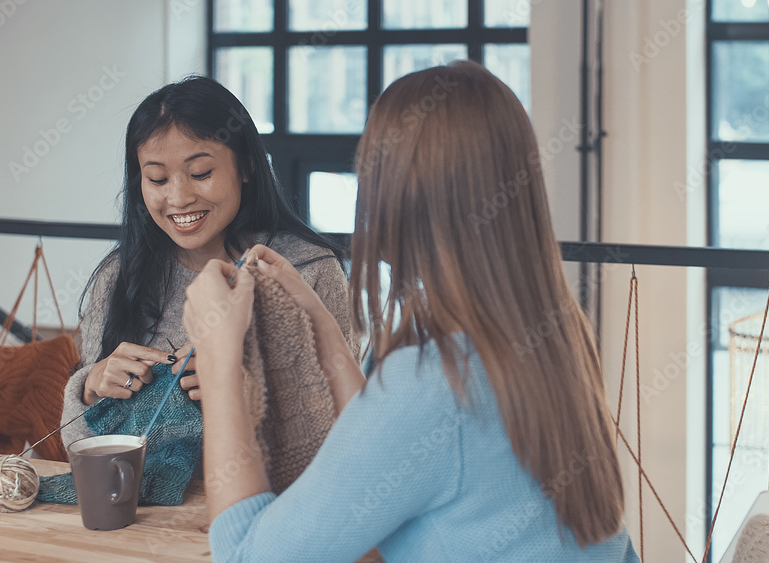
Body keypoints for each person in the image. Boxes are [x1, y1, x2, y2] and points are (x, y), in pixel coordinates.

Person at [185, 61, 639, 561]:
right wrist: (325, 335)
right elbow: (400, 450)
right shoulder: (557, 331)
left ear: (397, 195)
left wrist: (217, 355)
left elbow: (247, 554)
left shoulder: (436, 379)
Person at [60, 76, 358, 449]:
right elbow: (78, 451)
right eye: (157, 178)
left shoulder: (307, 271)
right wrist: (90, 387)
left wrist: (241, 389)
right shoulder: (121, 275)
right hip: (142, 504)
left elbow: (348, 427)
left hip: (264, 504)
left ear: (247, 166)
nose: (179, 197)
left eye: (201, 173)